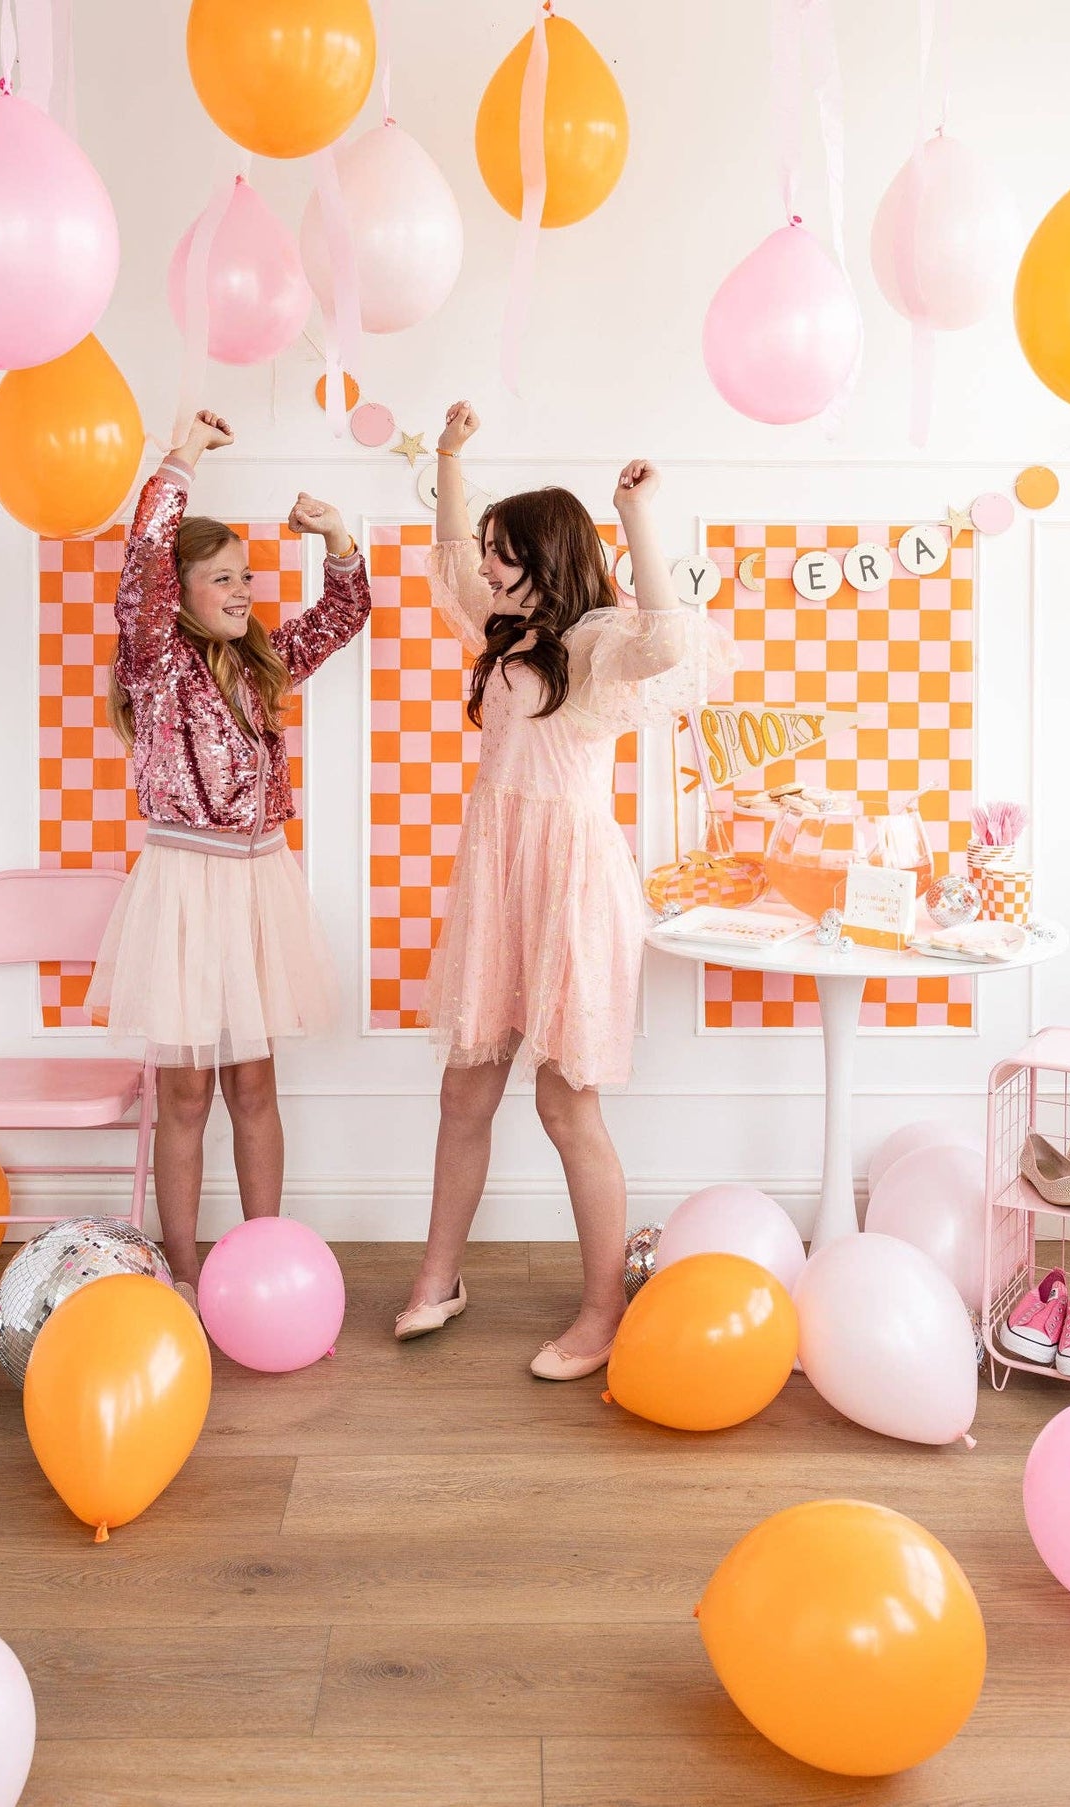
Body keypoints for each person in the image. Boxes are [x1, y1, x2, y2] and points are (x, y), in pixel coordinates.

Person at [397, 401, 736, 1378]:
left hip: (570, 890)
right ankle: (437, 1276)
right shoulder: (501, 627)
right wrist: (452, 455)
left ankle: (599, 1313)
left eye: (507, 553)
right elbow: (450, 556)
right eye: (493, 553)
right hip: (498, 881)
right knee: (465, 1091)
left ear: (547, 558)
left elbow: (670, 644)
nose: (489, 567)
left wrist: (634, 514)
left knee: (564, 1105)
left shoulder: (595, 641)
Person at [90, 410, 370, 1308]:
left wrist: (335, 538)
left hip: (257, 883)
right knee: (185, 1094)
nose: (244, 590)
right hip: (182, 885)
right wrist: (182, 460)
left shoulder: (262, 663)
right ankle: (178, 1264)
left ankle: (261, 1254)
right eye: (223, 579)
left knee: (256, 1083)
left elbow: (343, 613)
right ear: (180, 594)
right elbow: (140, 566)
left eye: (246, 576)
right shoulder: (154, 659)